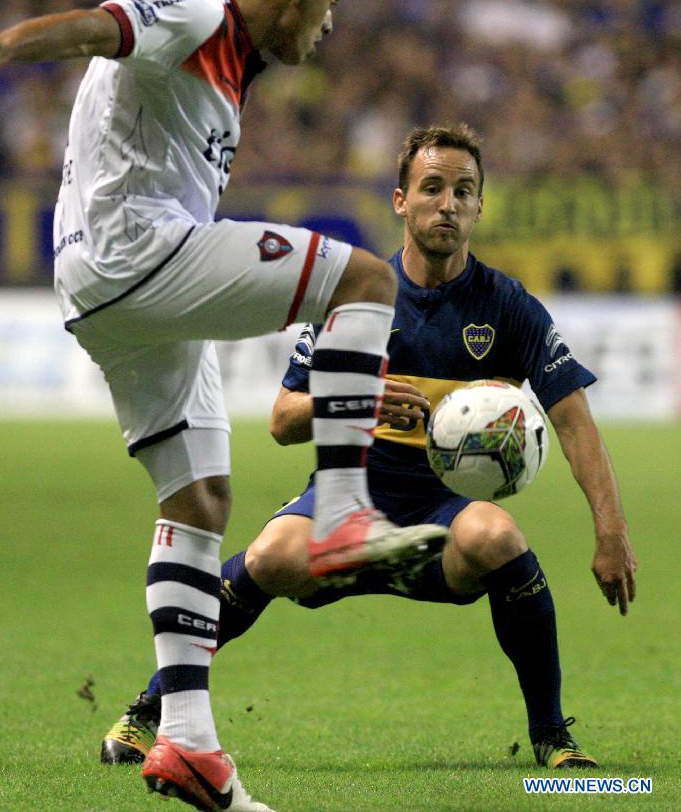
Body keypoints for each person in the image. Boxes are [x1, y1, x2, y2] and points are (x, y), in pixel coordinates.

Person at [0, 0, 448, 809]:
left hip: (110, 288)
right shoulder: (204, 11)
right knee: (366, 278)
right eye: (328, 6)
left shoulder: (231, 65)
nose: (326, 29)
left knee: (200, 501)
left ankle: (188, 744)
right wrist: (5, 47)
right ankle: (341, 512)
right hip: (137, 255)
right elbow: (104, 25)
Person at [102, 124, 638, 774]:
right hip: (348, 509)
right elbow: (283, 419)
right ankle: (152, 706)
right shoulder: (357, 299)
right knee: (270, 555)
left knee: (500, 536)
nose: (447, 204)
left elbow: (575, 423)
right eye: (432, 188)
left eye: (463, 191)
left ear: (478, 207)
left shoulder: (508, 307)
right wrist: (360, 399)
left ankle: (553, 736)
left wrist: (611, 532)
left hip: (444, 520)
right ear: (400, 201)